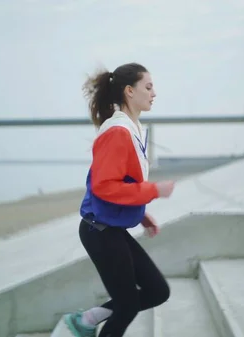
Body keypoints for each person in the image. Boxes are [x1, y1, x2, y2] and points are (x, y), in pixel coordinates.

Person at [63, 62, 175, 337]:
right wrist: (153, 191)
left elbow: (123, 181)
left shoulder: (133, 128)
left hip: (110, 229)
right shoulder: (117, 131)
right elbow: (103, 186)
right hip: (99, 231)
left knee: (157, 290)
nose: (154, 93)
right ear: (129, 91)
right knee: (126, 307)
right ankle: (86, 322)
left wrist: (141, 211)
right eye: (148, 87)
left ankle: (88, 320)